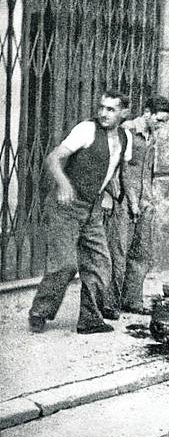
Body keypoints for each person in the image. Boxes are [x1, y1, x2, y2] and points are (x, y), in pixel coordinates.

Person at [28, 90, 133, 334]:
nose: (103, 113)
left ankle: (90, 319)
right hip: (66, 207)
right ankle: (39, 312)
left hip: (93, 209)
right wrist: (64, 184)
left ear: (124, 113)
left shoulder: (125, 137)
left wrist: (115, 196)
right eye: (101, 107)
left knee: (100, 263)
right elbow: (54, 157)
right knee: (65, 264)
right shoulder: (86, 130)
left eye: (111, 109)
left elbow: (114, 170)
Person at [105, 95, 169, 315]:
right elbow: (121, 169)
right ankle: (109, 304)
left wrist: (149, 200)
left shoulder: (152, 136)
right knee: (119, 252)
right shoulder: (127, 130)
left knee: (142, 253)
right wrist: (131, 201)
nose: (161, 126)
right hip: (124, 199)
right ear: (146, 113)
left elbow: (146, 172)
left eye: (164, 122)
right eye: (159, 120)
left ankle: (131, 300)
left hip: (144, 201)